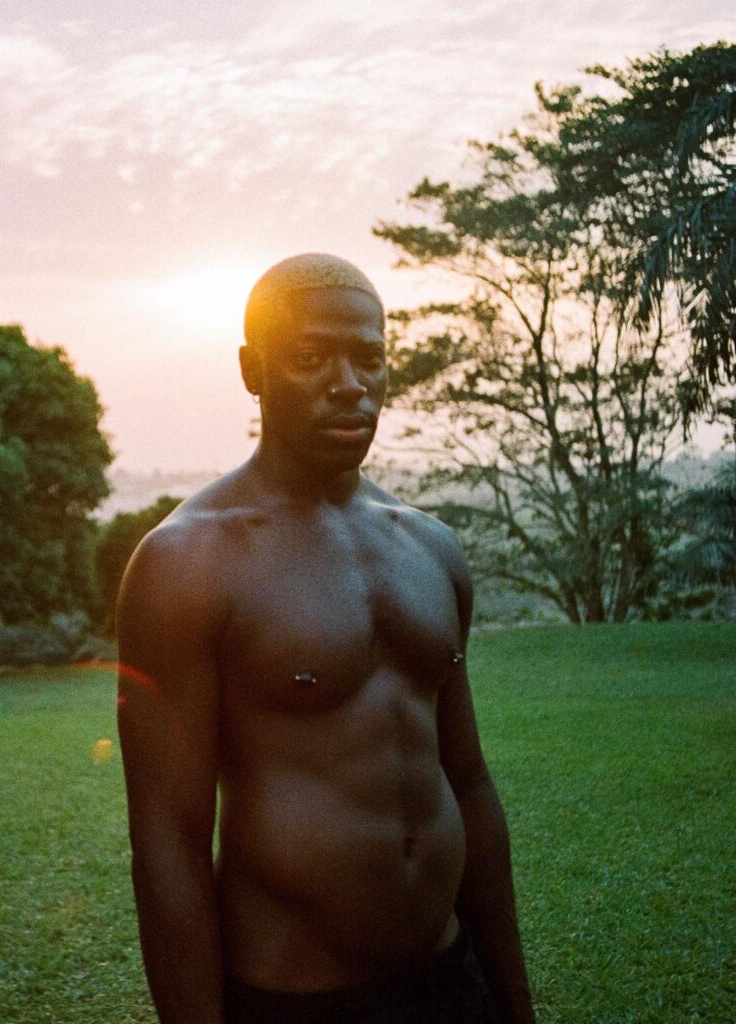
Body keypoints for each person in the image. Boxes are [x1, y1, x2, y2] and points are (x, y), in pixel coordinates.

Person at [116, 253, 535, 1024]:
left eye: (368, 358)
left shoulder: (432, 547)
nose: (349, 383)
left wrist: (513, 1004)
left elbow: (469, 785)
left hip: (450, 979)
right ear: (254, 369)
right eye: (311, 358)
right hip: (299, 997)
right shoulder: (187, 563)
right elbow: (168, 846)